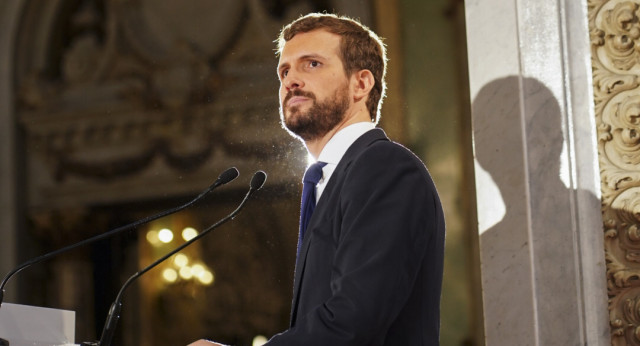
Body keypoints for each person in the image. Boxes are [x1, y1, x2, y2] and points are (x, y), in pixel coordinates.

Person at [189, 13, 445, 345]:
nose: (291, 80)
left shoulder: (386, 167)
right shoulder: (333, 178)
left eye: (311, 64)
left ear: (361, 84)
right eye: (284, 71)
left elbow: (354, 321)